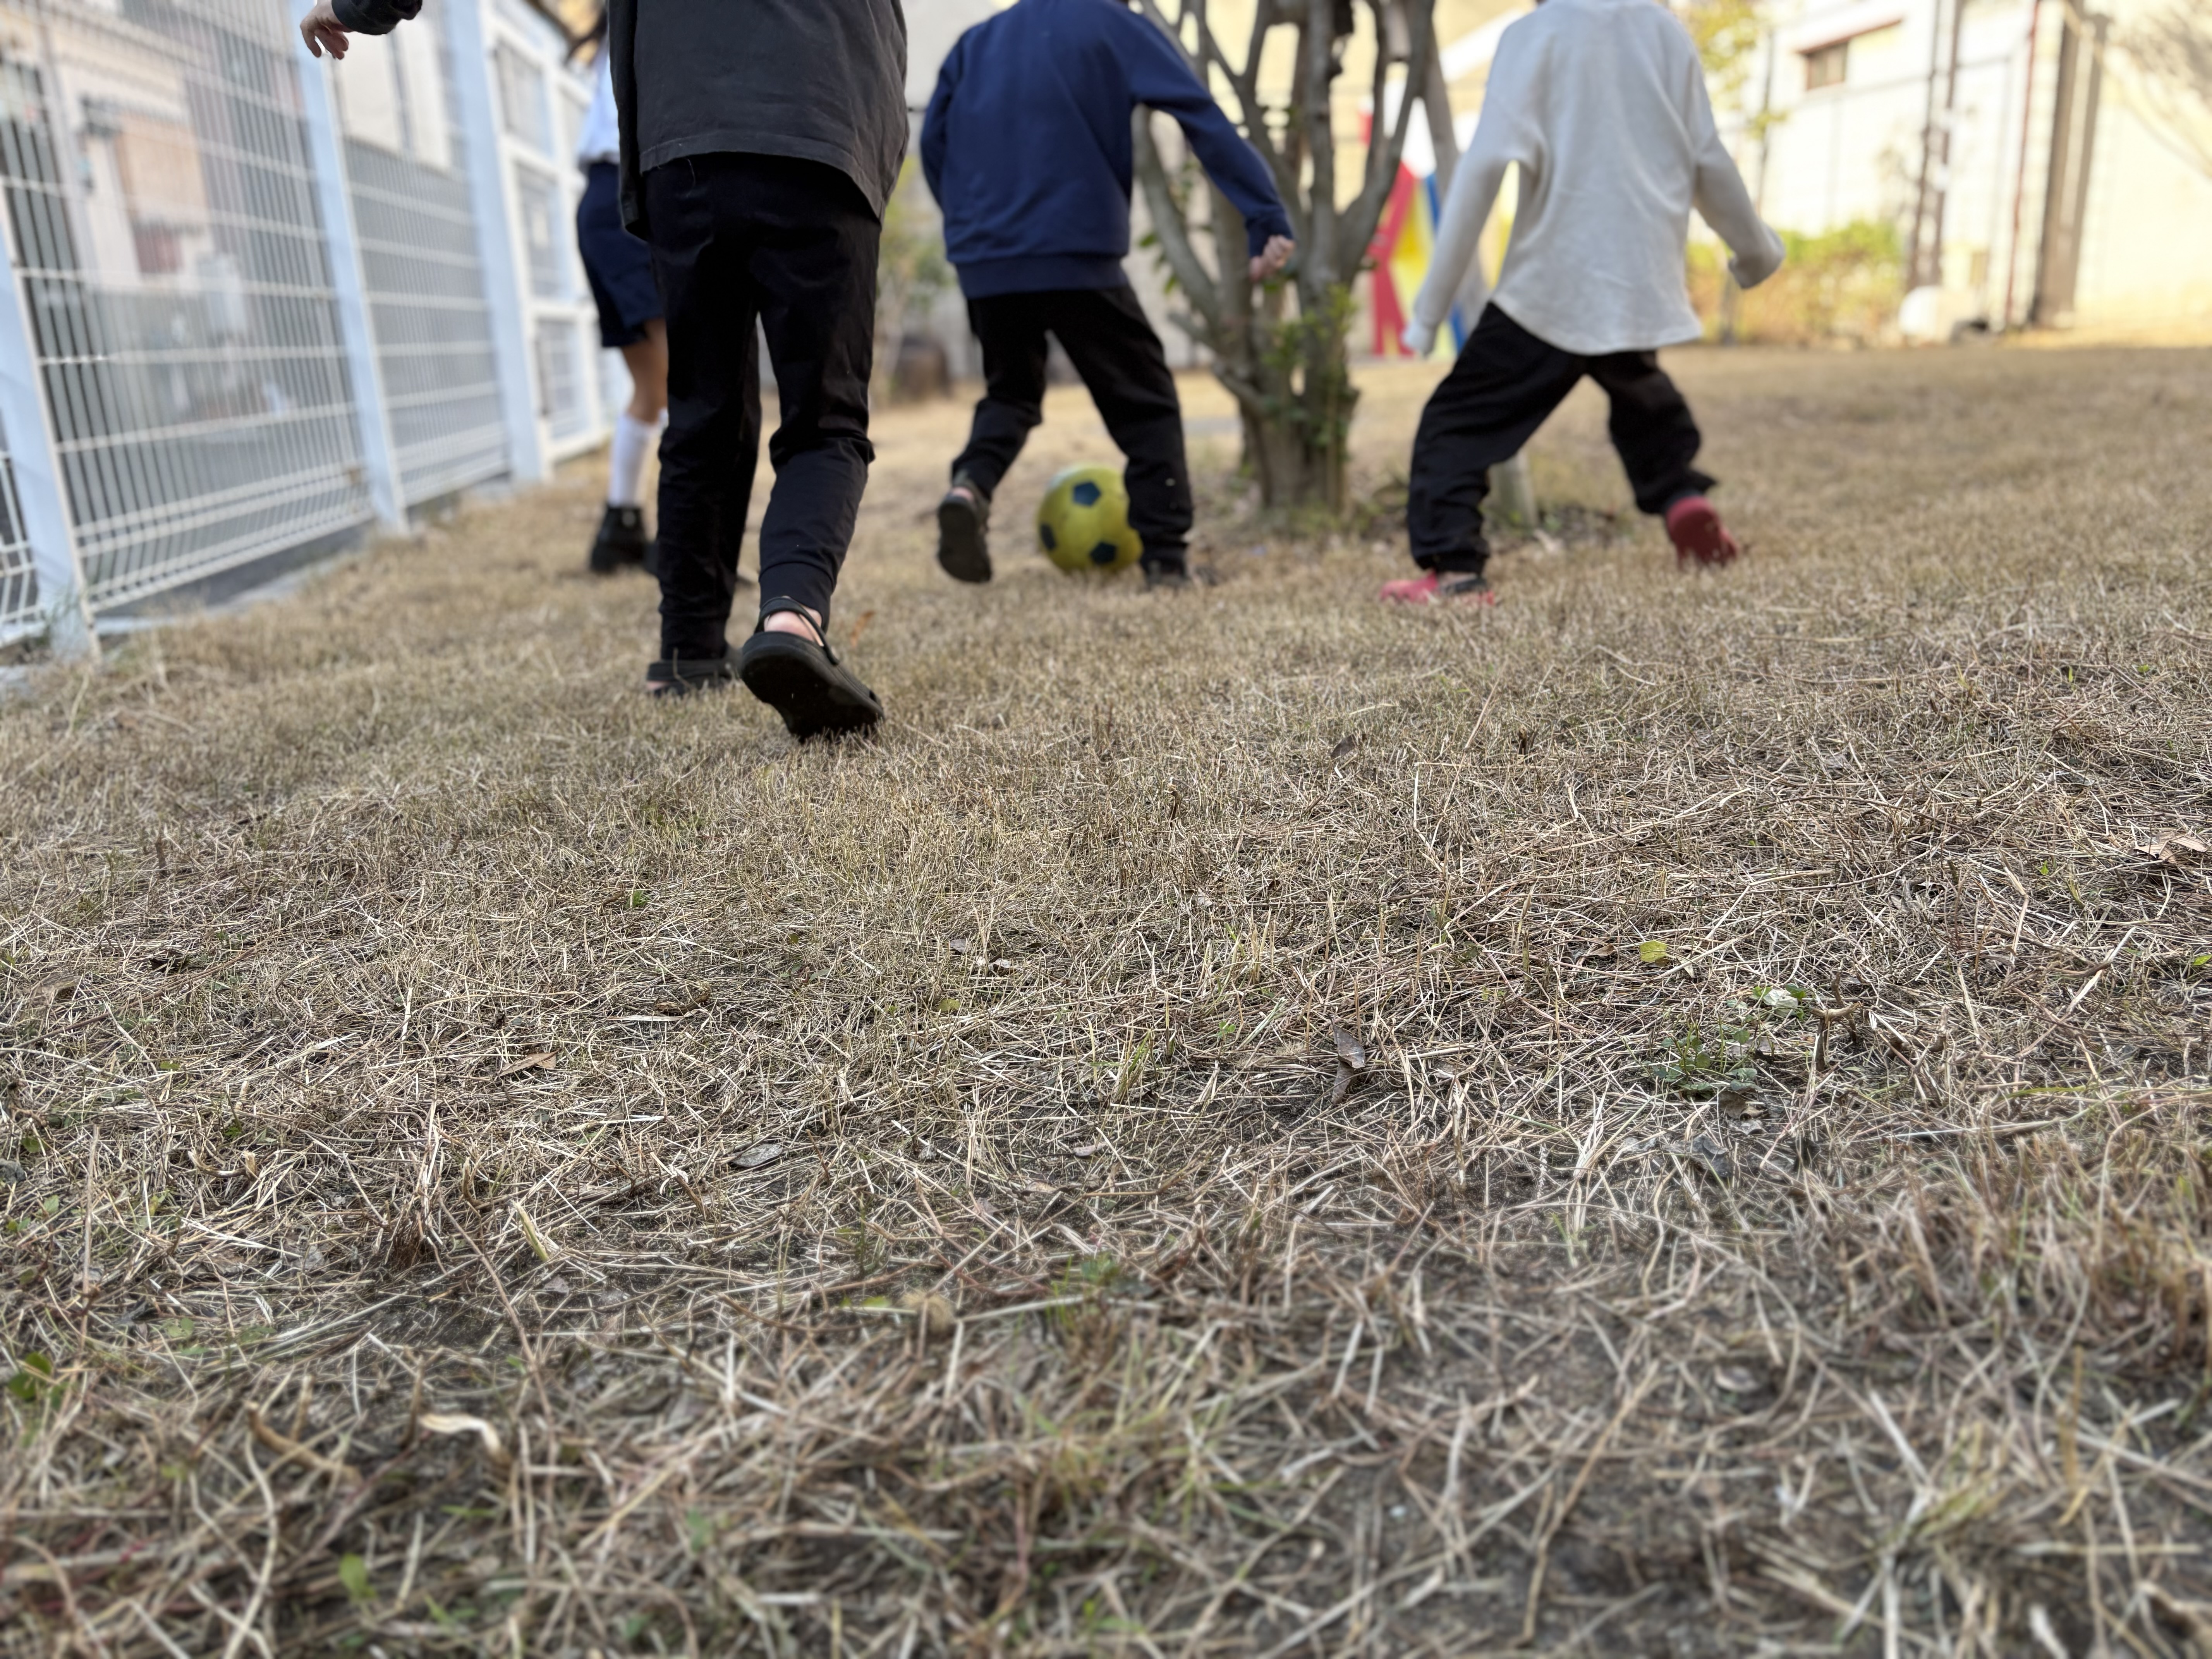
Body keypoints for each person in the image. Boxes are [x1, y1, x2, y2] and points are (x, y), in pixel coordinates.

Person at [301, 0, 905, 739]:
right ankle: (792, 619)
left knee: (702, 407)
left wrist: (358, 6)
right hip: (821, 123)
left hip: (682, 143)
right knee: (823, 418)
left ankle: (687, 650)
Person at [1380, 0, 1786, 606]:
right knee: (1640, 397)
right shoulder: (1663, 31)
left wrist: (1428, 311)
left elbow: (1482, 169)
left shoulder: (1534, 36)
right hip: (1637, 280)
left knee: (1457, 423)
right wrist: (1756, 251)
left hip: (1551, 288)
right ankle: (1682, 496)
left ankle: (1456, 572)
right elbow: (1707, 157)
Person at [920, 0, 1294, 590]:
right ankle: (1166, 561)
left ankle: (969, 487)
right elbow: (1199, 112)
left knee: (1011, 392)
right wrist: (1264, 213)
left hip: (987, 260)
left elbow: (933, 144)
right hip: (1077, 252)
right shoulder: (1112, 25)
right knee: (1145, 403)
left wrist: (976, 229)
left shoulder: (976, 44)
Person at [574, 41, 668, 577]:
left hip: (599, 203)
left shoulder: (615, 27)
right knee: (682, 382)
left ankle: (621, 526)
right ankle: (685, 539)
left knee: (653, 386)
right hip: (629, 199)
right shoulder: (646, 22)